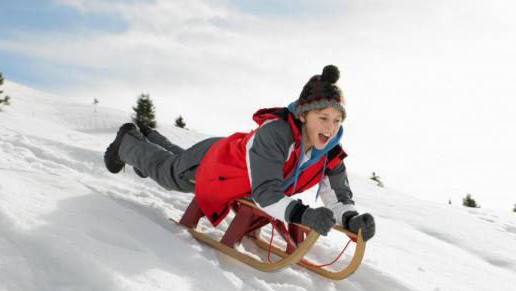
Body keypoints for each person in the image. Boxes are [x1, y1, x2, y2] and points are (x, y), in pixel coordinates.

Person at [104, 65, 375, 241]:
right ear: (304, 115)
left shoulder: (330, 152)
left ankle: (151, 138)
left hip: (239, 170)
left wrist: (351, 219)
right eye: (323, 117)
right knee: (169, 173)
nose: (330, 128)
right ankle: (126, 142)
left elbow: (338, 196)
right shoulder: (276, 134)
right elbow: (266, 194)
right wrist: (303, 215)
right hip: (217, 164)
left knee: (175, 161)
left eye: (337, 120)